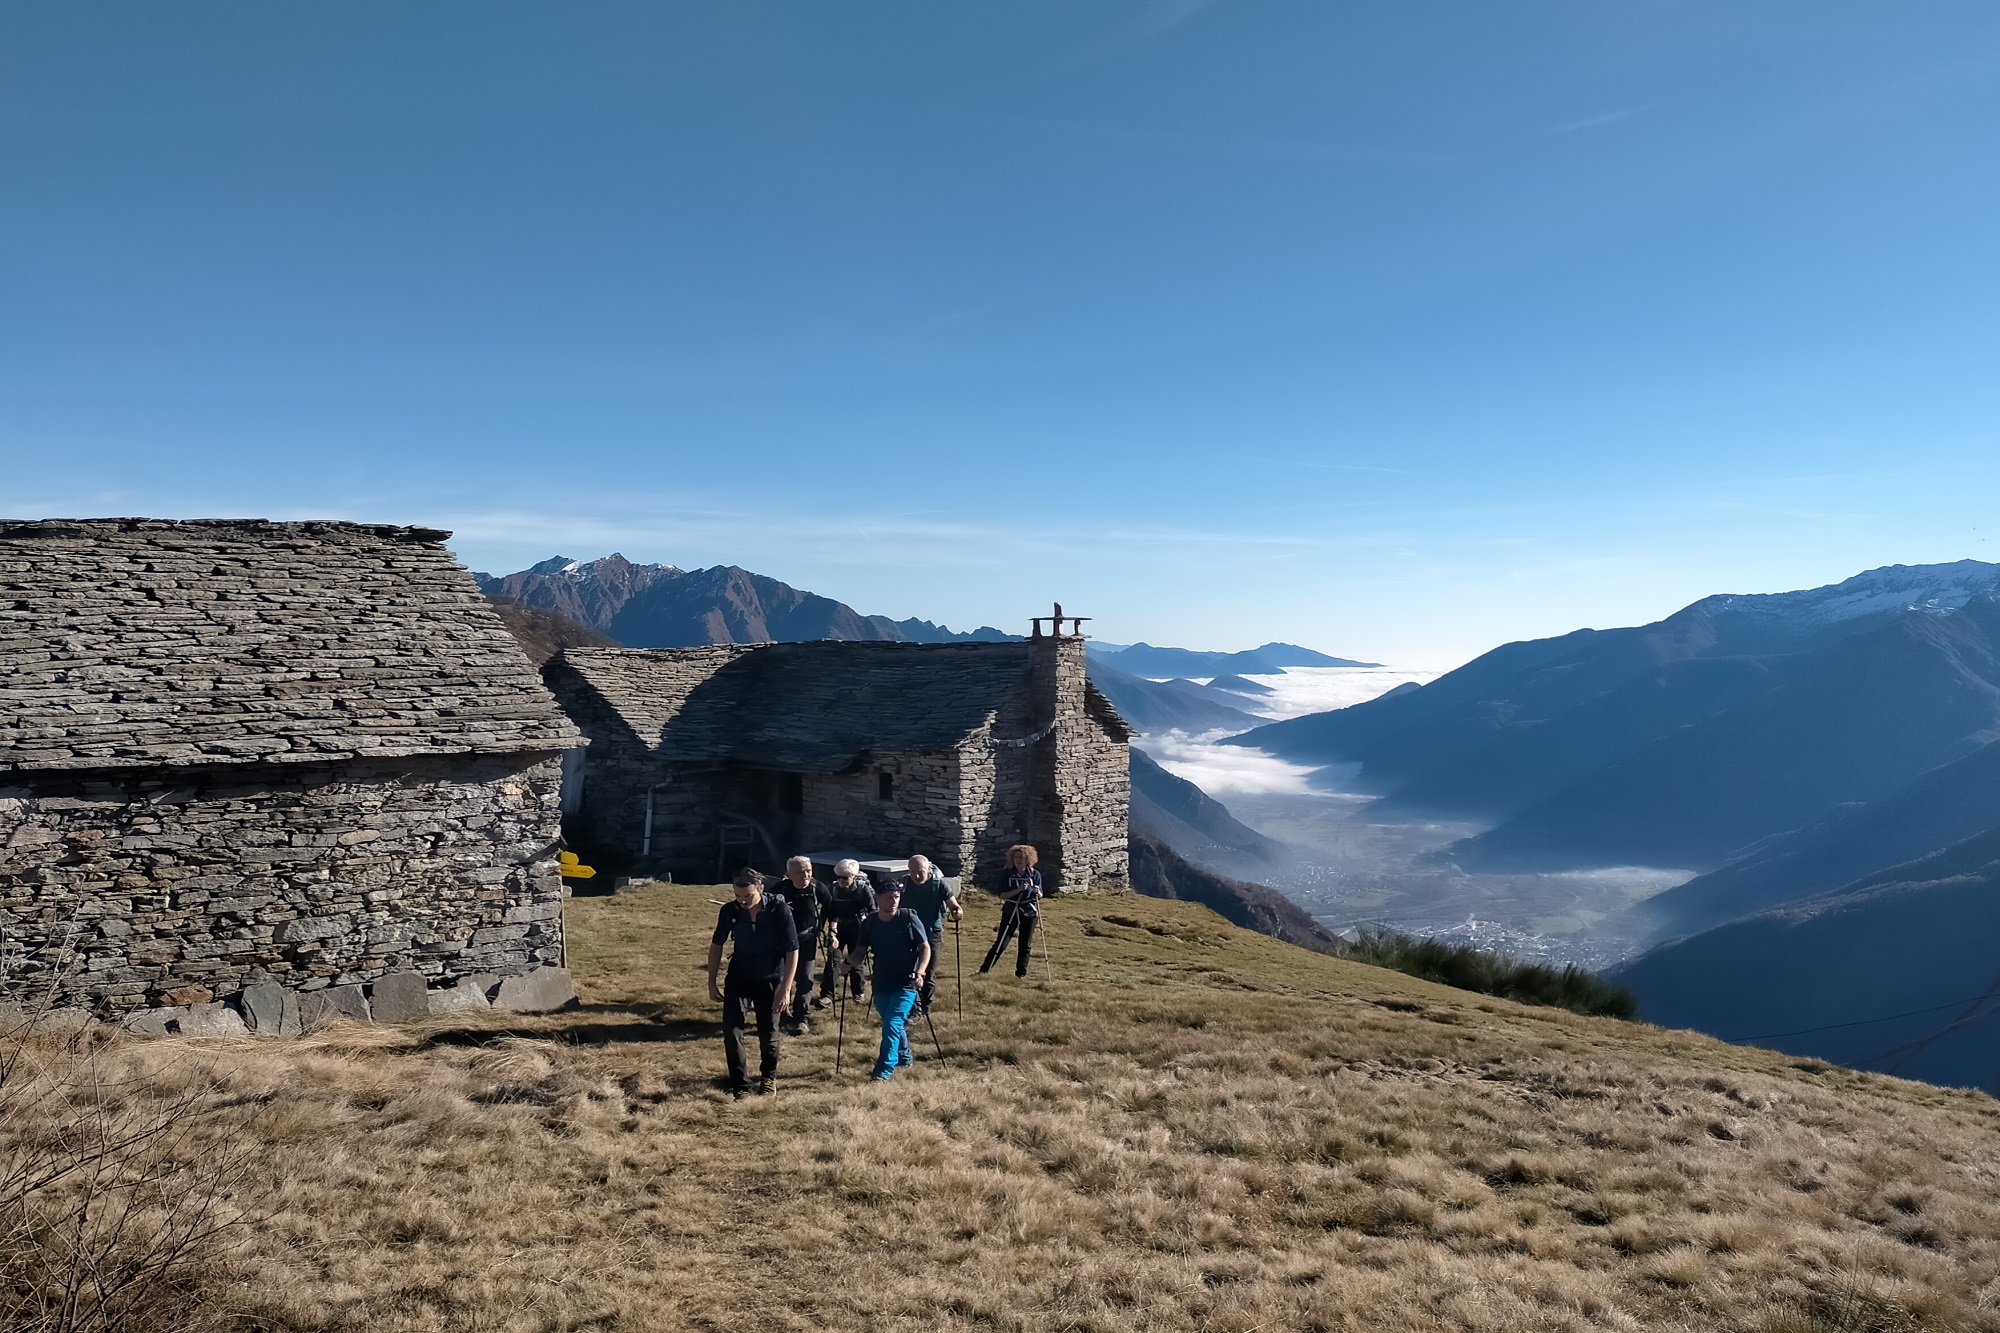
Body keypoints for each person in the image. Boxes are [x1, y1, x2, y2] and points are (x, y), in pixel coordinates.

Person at [705, 868, 798, 1097]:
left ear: (761, 889)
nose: (743, 901)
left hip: (771, 979)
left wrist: (785, 990)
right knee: (732, 1031)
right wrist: (711, 982)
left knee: (769, 1033)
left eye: (748, 896)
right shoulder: (729, 911)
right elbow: (717, 945)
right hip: (739, 977)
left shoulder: (779, 910)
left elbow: (792, 950)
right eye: (738, 896)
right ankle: (741, 1085)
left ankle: (768, 1078)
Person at [846, 877, 931, 1081]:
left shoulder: (908, 917)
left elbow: (925, 947)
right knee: (893, 1023)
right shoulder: (870, 923)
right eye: (889, 896)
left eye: (897, 896)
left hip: (906, 982)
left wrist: (920, 972)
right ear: (877, 898)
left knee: (892, 1024)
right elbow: (860, 950)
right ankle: (904, 1058)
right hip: (881, 982)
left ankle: (883, 1070)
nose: (894, 901)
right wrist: (848, 963)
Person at [770, 855, 831, 1034]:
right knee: (780, 978)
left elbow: (830, 907)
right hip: (781, 942)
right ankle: (780, 1014)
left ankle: (801, 1018)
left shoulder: (817, 888)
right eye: (800, 872)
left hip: (807, 939)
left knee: (805, 979)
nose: (806, 875)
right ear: (789, 874)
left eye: (808, 871)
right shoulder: (779, 889)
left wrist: (826, 928)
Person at [897, 853, 961, 1015]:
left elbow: (953, 904)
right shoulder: (904, 884)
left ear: (928, 869)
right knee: (909, 970)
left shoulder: (939, 885)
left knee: (928, 973)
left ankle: (925, 1006)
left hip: (932, 933)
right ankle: (913, 1006)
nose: (917, 876)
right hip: (908, 933)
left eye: (921, 872)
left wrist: (957, 911)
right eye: (913, 872)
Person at [978, 843, 1042, 978]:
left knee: (1025, 944)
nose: (1018, 860)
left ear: (1028, 859)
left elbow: (1040, 894)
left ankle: (1021, 975)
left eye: (1021, 857)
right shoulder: (1006, 874)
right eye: (1016, 857)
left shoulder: (1035, 874)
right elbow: (1002, 895)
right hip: (1011, 909)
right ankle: (984, 971)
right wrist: (1018, 890)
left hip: (1029, 910)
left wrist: (1038, 893)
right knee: (1002, 942)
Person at [818, 858, 875, 1006]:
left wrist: (870, 928)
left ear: (854, 876)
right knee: (832, 961)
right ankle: (827, 995)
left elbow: (872, 910)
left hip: (857, 928)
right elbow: (826, 910)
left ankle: (858, 992)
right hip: (837, 929)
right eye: (839, 877)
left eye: (846, 877)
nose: (842, 880)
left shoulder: (863, 889)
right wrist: (822, 929)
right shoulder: (833, 889)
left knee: (856, 961)